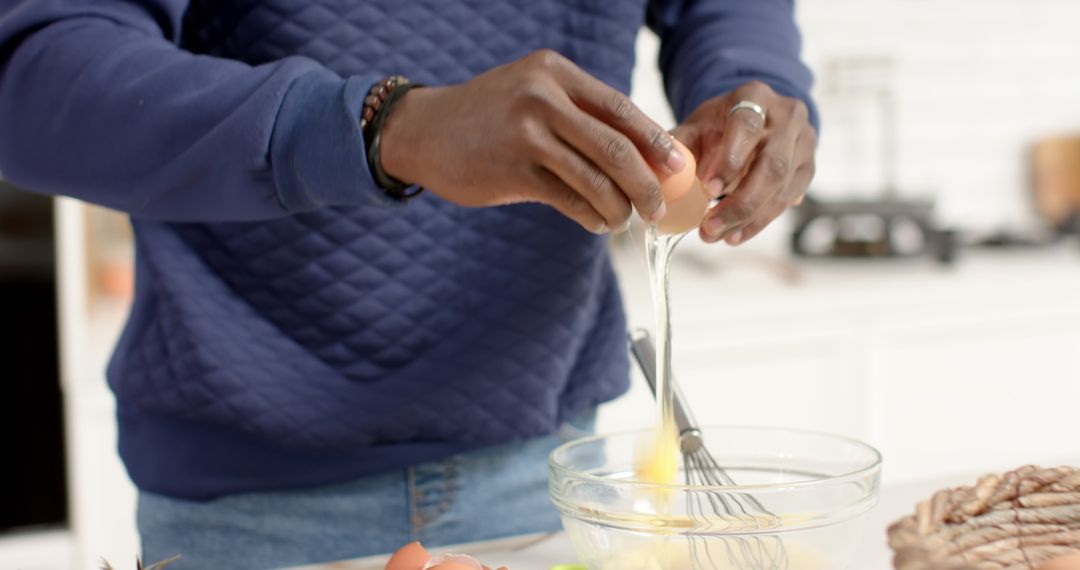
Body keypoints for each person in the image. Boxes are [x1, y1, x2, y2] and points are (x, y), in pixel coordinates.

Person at [0, 1, 818, 568]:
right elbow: (30, 72)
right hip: (250, 507)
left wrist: (751, 77)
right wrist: (386, 126)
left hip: (550, 473)